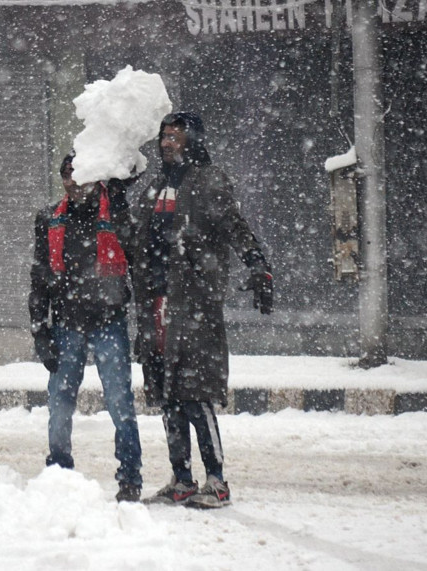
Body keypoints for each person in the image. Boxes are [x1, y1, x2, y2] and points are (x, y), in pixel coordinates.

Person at [131, 112, 273, 509]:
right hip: (156, 304)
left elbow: (234, 225)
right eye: (163, 136)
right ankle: (181, 479)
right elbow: (132, 235)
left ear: (192, 140)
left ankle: (217, 481)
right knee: (167, 395)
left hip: (194, 304)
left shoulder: (208, 181)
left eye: (175, 136)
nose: (166, 143)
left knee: (196, 394)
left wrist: (257, 264)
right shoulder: (155, 187)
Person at [29, 152, 143, 503]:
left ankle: (130, 478)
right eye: (67, 174)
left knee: (120, 401)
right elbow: (40, 277)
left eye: (80, 173)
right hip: (67, 324)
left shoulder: (116, 214)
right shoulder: (49, 218)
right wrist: (40, 330)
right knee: (60, 402)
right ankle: (59, 470)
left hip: (109, 320)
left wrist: (147, 327)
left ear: (95, 176)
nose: (74, 181)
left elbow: (138, 263)